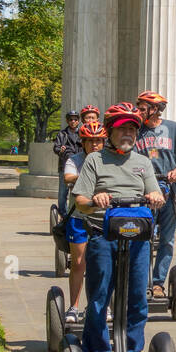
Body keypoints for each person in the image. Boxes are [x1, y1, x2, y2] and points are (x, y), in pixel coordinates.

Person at [70, 103, 165, 352]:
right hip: (103, 234)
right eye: (123, 128)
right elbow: (80, 202)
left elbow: (154, 191)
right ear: (110, 130)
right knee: (99, 298)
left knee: (137, 298)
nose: (128, 133)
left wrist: (156, 197)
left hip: (137, 237)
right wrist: (95, 198)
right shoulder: (95, 161)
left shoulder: (143, 163)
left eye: (133, 129)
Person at [134, 90, 176, 299]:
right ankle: (142, 281)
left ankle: (158, 283)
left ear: (155, 109)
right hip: (145, 192)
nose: (138, 111)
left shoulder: (173, 128)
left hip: (170, 190)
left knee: (167, 240)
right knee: (143, 237)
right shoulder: (136, 130)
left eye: (142, 108)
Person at [61, 121, 106, 326]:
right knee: (79, 263)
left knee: (103, 264)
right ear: (83, 142)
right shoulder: (75, 160)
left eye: (98, 141)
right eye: (90, 141)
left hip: (103, 218)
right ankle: (74, 306)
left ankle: (103, 306)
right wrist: (87, 179)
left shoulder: (109, 161)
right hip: (79, 217)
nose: (95, 145)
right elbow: (68, 176)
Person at [53, 111, 82, 214]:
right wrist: (61, 149)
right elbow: (56, 148)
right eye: (70, 119)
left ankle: (77, 213)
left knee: (78, 192)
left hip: (80, 167)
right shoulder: (62, 134)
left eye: (75, 119)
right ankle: (63, 214)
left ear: (78, 121)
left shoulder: (82, 133)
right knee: (63, 193)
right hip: (65, 167)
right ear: (67, 121)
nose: (73, 121)